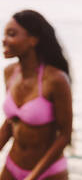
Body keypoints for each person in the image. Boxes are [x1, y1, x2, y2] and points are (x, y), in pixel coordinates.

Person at [0, 10, 72, 180]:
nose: (4, 39)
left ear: (33, 40)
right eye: (4, 34)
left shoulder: (56, 80)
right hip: (12, 166)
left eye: (11, 34)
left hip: (48, 173)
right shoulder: (10, 73)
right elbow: (12, 122)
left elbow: (64, 136)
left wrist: (33, 176)